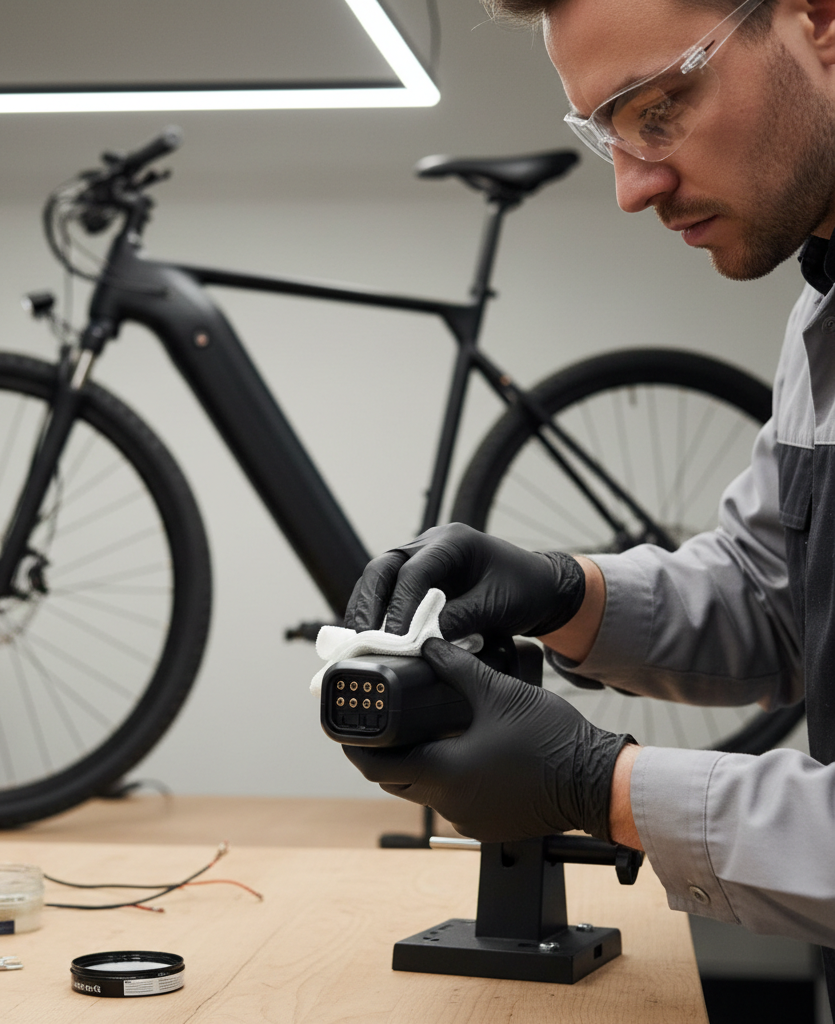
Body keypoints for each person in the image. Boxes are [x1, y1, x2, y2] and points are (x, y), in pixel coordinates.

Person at [339, 0, 835, 1010]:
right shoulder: (822, 311)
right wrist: (564, 594)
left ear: (817, 20)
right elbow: (780, 599)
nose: (631, 186)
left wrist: (598, 786)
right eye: (607, 134)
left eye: (658, 110)